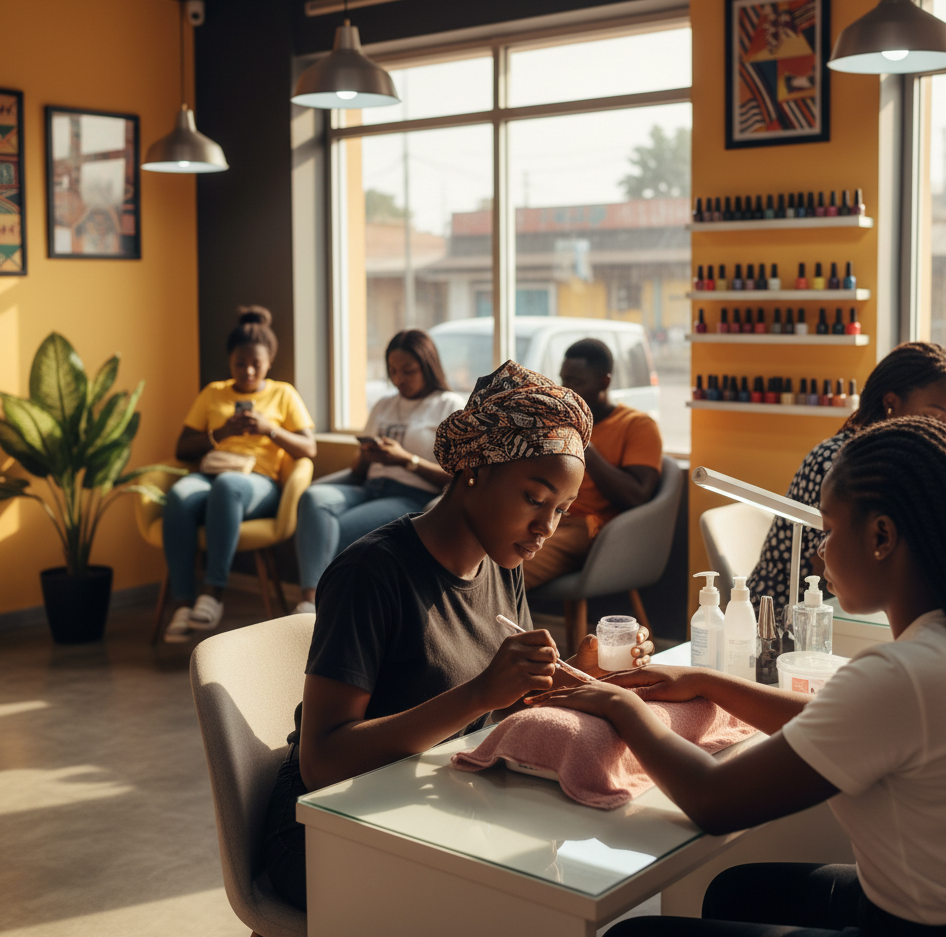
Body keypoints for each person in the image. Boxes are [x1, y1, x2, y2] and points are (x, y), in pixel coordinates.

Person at [528, 417, 946, 936]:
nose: (820, 552)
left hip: (923, 928)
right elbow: (847, 721)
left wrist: (619, 705)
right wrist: (709, 681)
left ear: (881, 536)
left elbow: (714, 800)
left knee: (634, 933)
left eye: (829, 532)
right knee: (736, 891)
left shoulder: (904, 674)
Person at [261, 361, 655, 910]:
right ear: (475, 469)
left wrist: (577, 669)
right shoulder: (372, 574)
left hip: (426, 799)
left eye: (561, 510)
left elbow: (503, 706)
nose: (546, 527)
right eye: (534, 499)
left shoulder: (502, 562)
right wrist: (478, 695)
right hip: (323, 828)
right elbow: (322, 761)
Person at [747, 341, 946, 631]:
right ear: (891, 403)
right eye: (934, 417)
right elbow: (827, 571)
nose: (943, 430)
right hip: (790, 616)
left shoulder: (904, 463)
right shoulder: (841, 464)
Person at [162, 307, 316, 642]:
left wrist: (269, 429)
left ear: (269, 361)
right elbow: (182, 447)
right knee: (177, 496)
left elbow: (309, 448)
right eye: (239, 364)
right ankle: (184, 603)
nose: (247, 371)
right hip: (213, 475)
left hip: (258, 483)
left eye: (255, 364)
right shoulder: (213, 393)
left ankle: (213, 592)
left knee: (229, 486)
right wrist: (221, 431)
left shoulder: (283, 393)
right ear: (229, 361)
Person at [292, 329, 464, 613]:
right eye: (393, 371)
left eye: (408, 371)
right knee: (313, 497)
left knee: (336, 532)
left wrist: (406, 460)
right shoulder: (385, 403)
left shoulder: (449, 405)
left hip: (411, 496)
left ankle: (315, 607)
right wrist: (366, 455)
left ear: (427, 365)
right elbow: (358, 472)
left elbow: (457, 478)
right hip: (369, 488)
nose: (399, 379)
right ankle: (311, 600)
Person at [523, 338, 662, 592]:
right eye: (563, 380)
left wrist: (582, 439)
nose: (566, 390)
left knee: (508, 569)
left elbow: (637, 496)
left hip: (585, 526)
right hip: (540, 510)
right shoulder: (558, 421)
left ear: (604, 382)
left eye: (576, 382)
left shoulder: (637, 425)